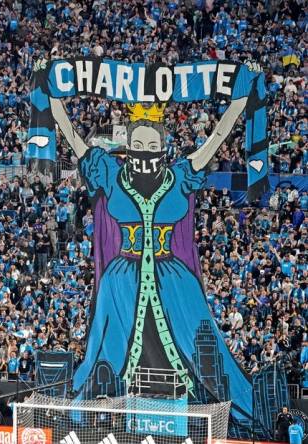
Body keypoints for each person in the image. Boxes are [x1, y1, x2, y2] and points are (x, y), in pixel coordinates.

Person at [46, 63, 260, 420]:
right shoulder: (110, 175)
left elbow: (217, 139)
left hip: (172, 278)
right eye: (138, 145)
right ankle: (103, 408)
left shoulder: (178, 178)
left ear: (164, 148)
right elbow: (71, 136)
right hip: (121, 279)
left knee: (192, 340)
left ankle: (212, 408)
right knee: (113, 345)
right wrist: (51, 97)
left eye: (152, 145)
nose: (145, 152)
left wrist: (238, 102)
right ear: (127, 146)